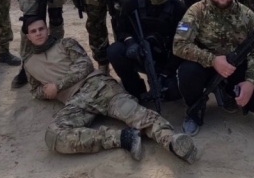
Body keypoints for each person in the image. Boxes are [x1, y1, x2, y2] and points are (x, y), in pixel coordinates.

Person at [22, 15, 198, 164]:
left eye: (41, 29)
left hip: (98, 86)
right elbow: (35, 90)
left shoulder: (65, 44)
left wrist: (58, 86)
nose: (38, 33)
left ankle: (172, 140)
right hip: (75, 103)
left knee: (134, 113)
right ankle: (123, 138)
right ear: (28, 36)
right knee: (54, 135)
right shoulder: (29, 64)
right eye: (33, 31)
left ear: (47, 29)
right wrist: (45, 92)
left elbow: (84, 66)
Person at [173, 0, 254, 135]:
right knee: (188, 72)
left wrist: (251, 82)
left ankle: (229, 91)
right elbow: (179, 45)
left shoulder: (247, 15)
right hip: (205, 66)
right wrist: (212, 60)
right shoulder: (195, 11)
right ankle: (195, 109)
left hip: (236, 66)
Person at [107, 0, 187, 102]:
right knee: (115, 51)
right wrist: (130, 42)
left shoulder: (180, 9)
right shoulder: (131, 4)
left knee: (173, 93)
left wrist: (166, 72)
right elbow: (121, 30)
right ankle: (136, 89)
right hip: (139, 54)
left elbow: (184, 41)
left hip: (168, 59)